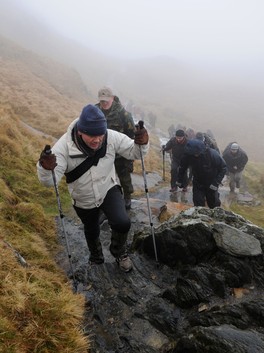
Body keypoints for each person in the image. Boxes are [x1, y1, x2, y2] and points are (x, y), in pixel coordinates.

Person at [37, 104, 149, 272]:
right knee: (91, 230)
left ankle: (119, 252)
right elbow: (48, 182)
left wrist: (142, 142)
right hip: (83, 197)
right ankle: (96, 257)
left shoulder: (110, 136)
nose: (97, 140)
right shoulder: (62, 148)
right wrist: (45, 168)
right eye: (91, 135)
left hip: (108, 188)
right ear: (81, 131)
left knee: (123, 222)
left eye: (100, 134)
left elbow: (135, 153)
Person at [95, 87, 136, 210]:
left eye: (107, 100)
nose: (104, 103)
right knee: (102, 177)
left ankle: (127, 196)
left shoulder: (123, 114)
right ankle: (104, 200)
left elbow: (131, 134)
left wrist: (130, 153)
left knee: (124, 175)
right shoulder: (95, 111)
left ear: (112, 98)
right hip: (101, 152)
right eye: (102, 101)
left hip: (120, 153)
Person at [176, 139, 227, 208]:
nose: (195, 155)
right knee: (198, 204)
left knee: (213, 204)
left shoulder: (212, 154)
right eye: (193, 154)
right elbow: (182, 167)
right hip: (198, 181)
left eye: (196, 153)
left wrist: (216, 182)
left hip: (211, 182)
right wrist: (179, 180)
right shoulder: (188, 155)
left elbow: (223, 168)